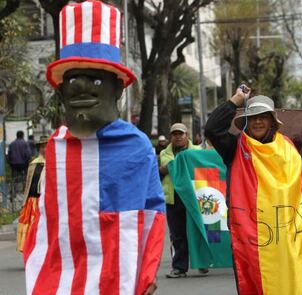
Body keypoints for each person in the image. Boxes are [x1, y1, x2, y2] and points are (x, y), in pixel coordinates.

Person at [23, 2, 165, 295]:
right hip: (62, 280)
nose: (82, 88)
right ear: (61, 90)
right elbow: (48, 220)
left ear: (118, 88)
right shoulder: (56, 146)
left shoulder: (137, 147)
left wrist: (147, 271)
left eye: (96, 78)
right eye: (73, 79)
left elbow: (152, 212)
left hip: (118, 277)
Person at [205, 87, 302, 294]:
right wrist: (236, 100)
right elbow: (212, 129)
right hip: (251, 235)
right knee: (255, 282)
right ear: (246, 122)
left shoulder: (289, 148)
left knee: (298, 278)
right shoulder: (235, 148)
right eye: (253, 118)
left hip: (289, 231)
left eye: (263, 117)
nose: (258, 122)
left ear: (273, 121)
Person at [159, 123, 203, 278]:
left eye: (181, 134)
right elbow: (167, 166)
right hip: (174, 200)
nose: (178, 137)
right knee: (177, 235)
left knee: (198, 231)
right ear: (171, 136)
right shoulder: (165, 153)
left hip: (195, 199)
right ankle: (179, 267)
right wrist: (184, 162)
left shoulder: (198, 151)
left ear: (187, 136)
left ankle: (203, 263)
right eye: (175, 134)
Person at [16, 135, 48, 252]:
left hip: (46, 202)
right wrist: (25, 202)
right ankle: (31, 251)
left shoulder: (54, 163)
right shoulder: (33, 164)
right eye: (42, 147)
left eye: (47, 146)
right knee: (30, 228)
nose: (44, 149)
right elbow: (28, 184)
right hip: (32, 201)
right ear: (39, 149)